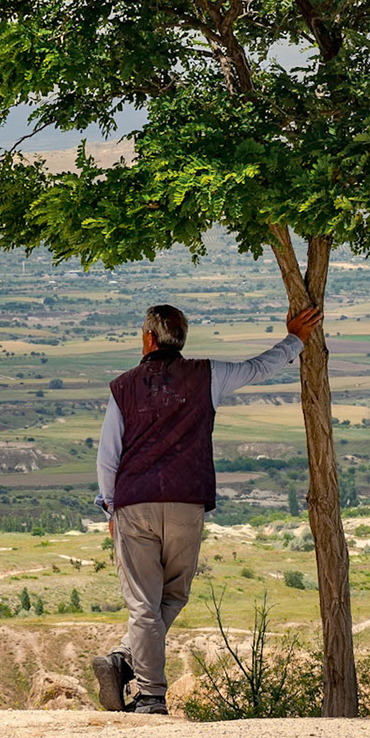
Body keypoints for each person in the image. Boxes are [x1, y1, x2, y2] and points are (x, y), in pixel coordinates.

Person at [91, 301, 322, 714]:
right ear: (181, 339)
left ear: (147, 338)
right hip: (186, 503)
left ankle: (149, 693)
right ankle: (124, 661)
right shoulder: (208, 375)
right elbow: (259, 367)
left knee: (143, 602)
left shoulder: (122, 387)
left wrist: (111, 509)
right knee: (173, 595)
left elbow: (108, 456)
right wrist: (295, 340)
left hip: (135, 504)